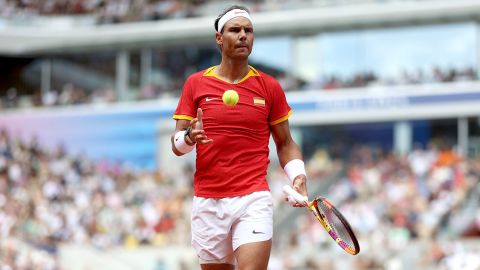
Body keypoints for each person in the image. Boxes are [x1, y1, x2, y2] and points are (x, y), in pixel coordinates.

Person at [171, 5, 308, 270]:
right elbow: (177, 146)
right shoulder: (195, 84)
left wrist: (298, 176)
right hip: (208, 201)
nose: (243, 35)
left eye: (249, 30)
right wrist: (189, 136)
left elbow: (286, 143)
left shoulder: (269, 87)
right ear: (219, 39)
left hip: (253, 198)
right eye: (235, 30)